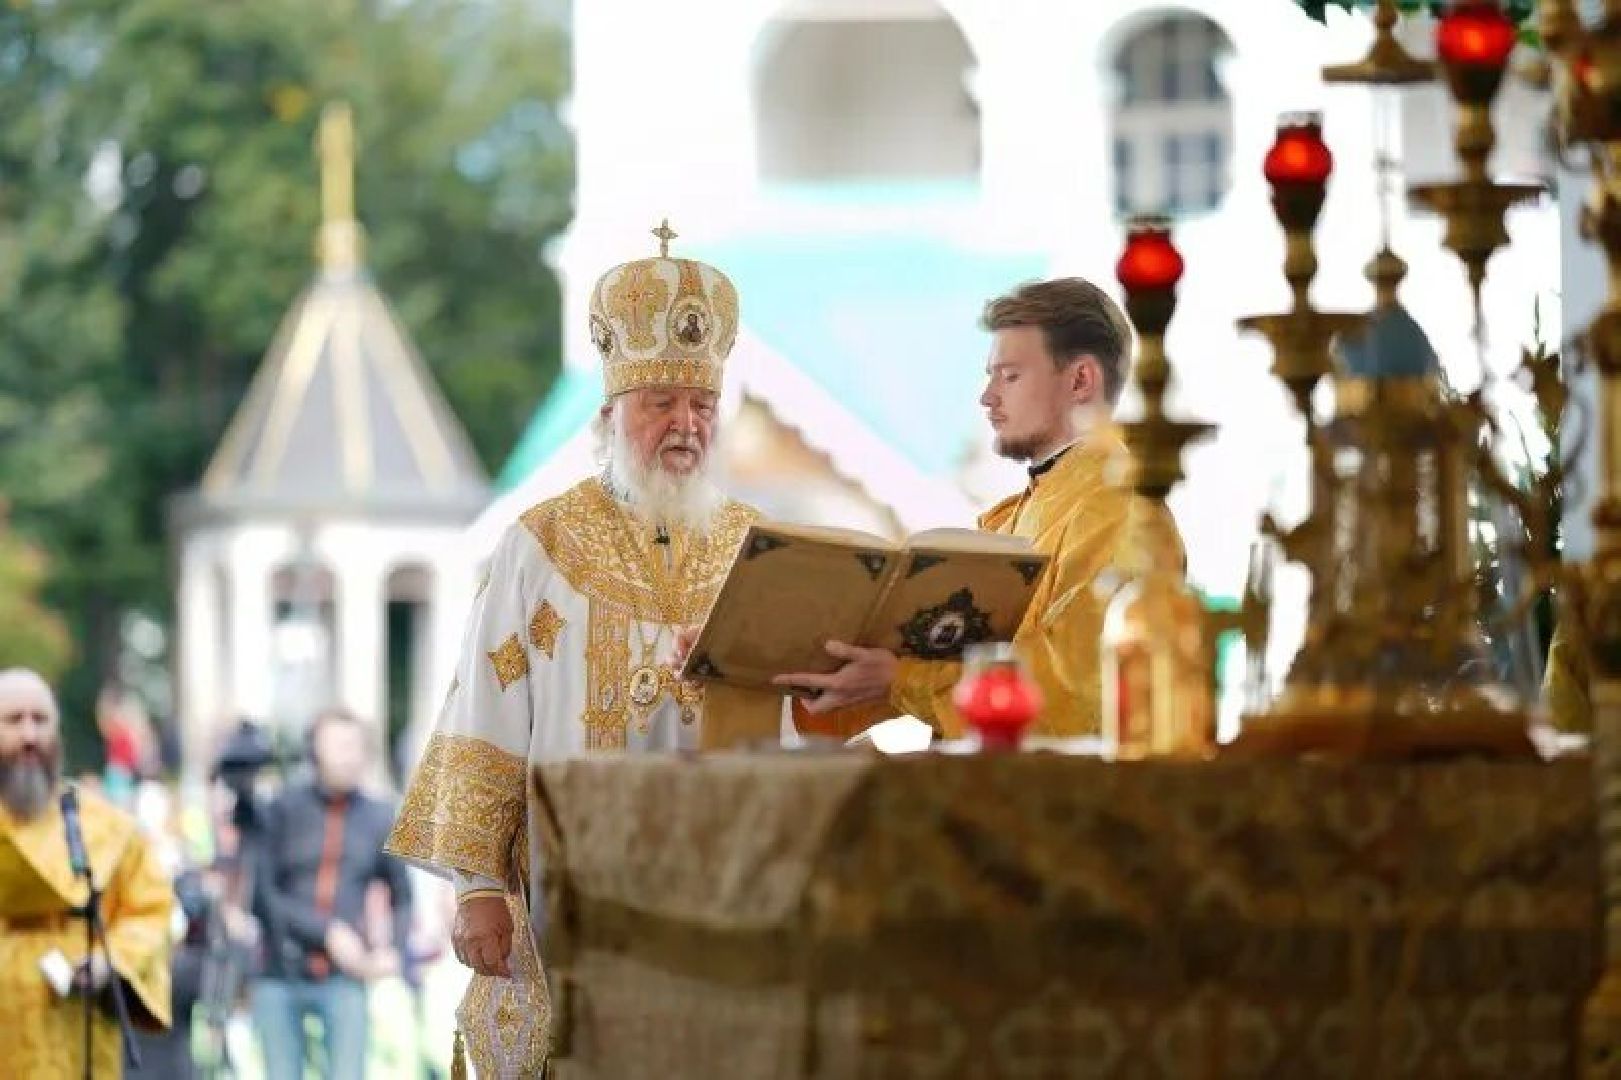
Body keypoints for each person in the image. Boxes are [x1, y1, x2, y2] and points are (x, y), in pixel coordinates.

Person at [386, 225, 779, 1077]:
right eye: (660, 403)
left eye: (700, 404)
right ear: (610, 415)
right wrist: (478, 887)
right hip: (569, 911)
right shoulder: (544, 542)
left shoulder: (757, 550)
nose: (684, 423)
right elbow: (483, 710)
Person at [777, 277, 1185, 739]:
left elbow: (1074, 689)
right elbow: (928, 656)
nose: (987, 397)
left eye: (1009, 375)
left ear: (1080, 380)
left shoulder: (1122, 508)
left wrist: (900, 679)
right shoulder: (1018, 513)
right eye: (990, 375)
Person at [0, 667, 173, 1077]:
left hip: (77, 1034)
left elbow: (151, 912)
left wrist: (108, 962)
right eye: (13, 720)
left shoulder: (105, 828)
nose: (29, 736)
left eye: (40, 720)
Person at [250, 707, 412, 1080]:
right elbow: (263, 896)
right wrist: (326, 932)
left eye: (356, 746)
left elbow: (402, 895)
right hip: (280, 972)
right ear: (316, 751)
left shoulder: (378, 816)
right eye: (339, 745)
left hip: (344, 978)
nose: (349, 756)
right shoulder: (283, 809)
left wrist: (392, 951)